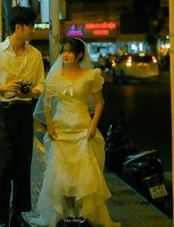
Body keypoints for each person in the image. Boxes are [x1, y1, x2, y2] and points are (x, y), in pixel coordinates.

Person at [33, 38, 121, 227]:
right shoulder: (55, 76)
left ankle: (84, 215)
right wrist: (49, 126)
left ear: (79, 55)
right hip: (60, 129)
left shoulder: (90, 75)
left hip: (82, 129)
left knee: (84, 174)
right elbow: (47, 104)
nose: (65, 54)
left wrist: (92, 127)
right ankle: (70, 214)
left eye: (70, 51)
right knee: (61, 174)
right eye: (63, 51)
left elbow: (99, 103)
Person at [0, 6, 45, 227]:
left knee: (23, 165)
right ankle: (2, 217)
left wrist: (32, 91)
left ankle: (18, 214)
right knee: (4, 165)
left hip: (24, 112)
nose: (33, 31)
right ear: (19, 27)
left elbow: (41, 85)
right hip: (1, 112)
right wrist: (3, 87)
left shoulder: (34, 55)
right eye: (31, 26)